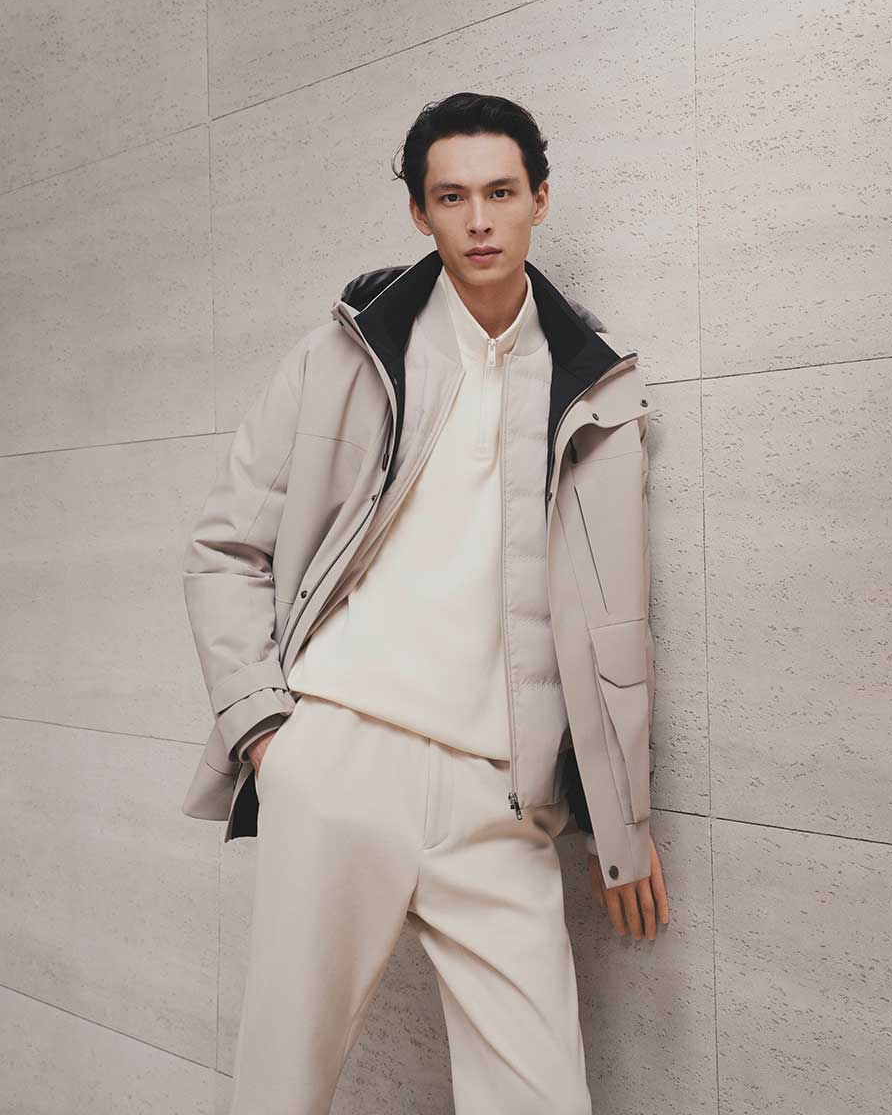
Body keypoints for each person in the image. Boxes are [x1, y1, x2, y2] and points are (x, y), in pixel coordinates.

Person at [181, 91, 670, 1115]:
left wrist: (621, 821)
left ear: (540, 198)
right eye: (452, 198)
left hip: (502, 794)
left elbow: (614, 626)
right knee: (280, 1092)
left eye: (501, 192)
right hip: (342, 763)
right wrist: (272, 739)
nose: (479, 221)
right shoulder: (345, 356)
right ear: (420, 212)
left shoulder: (598, 391)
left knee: (543, 1096)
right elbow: (225, 548)